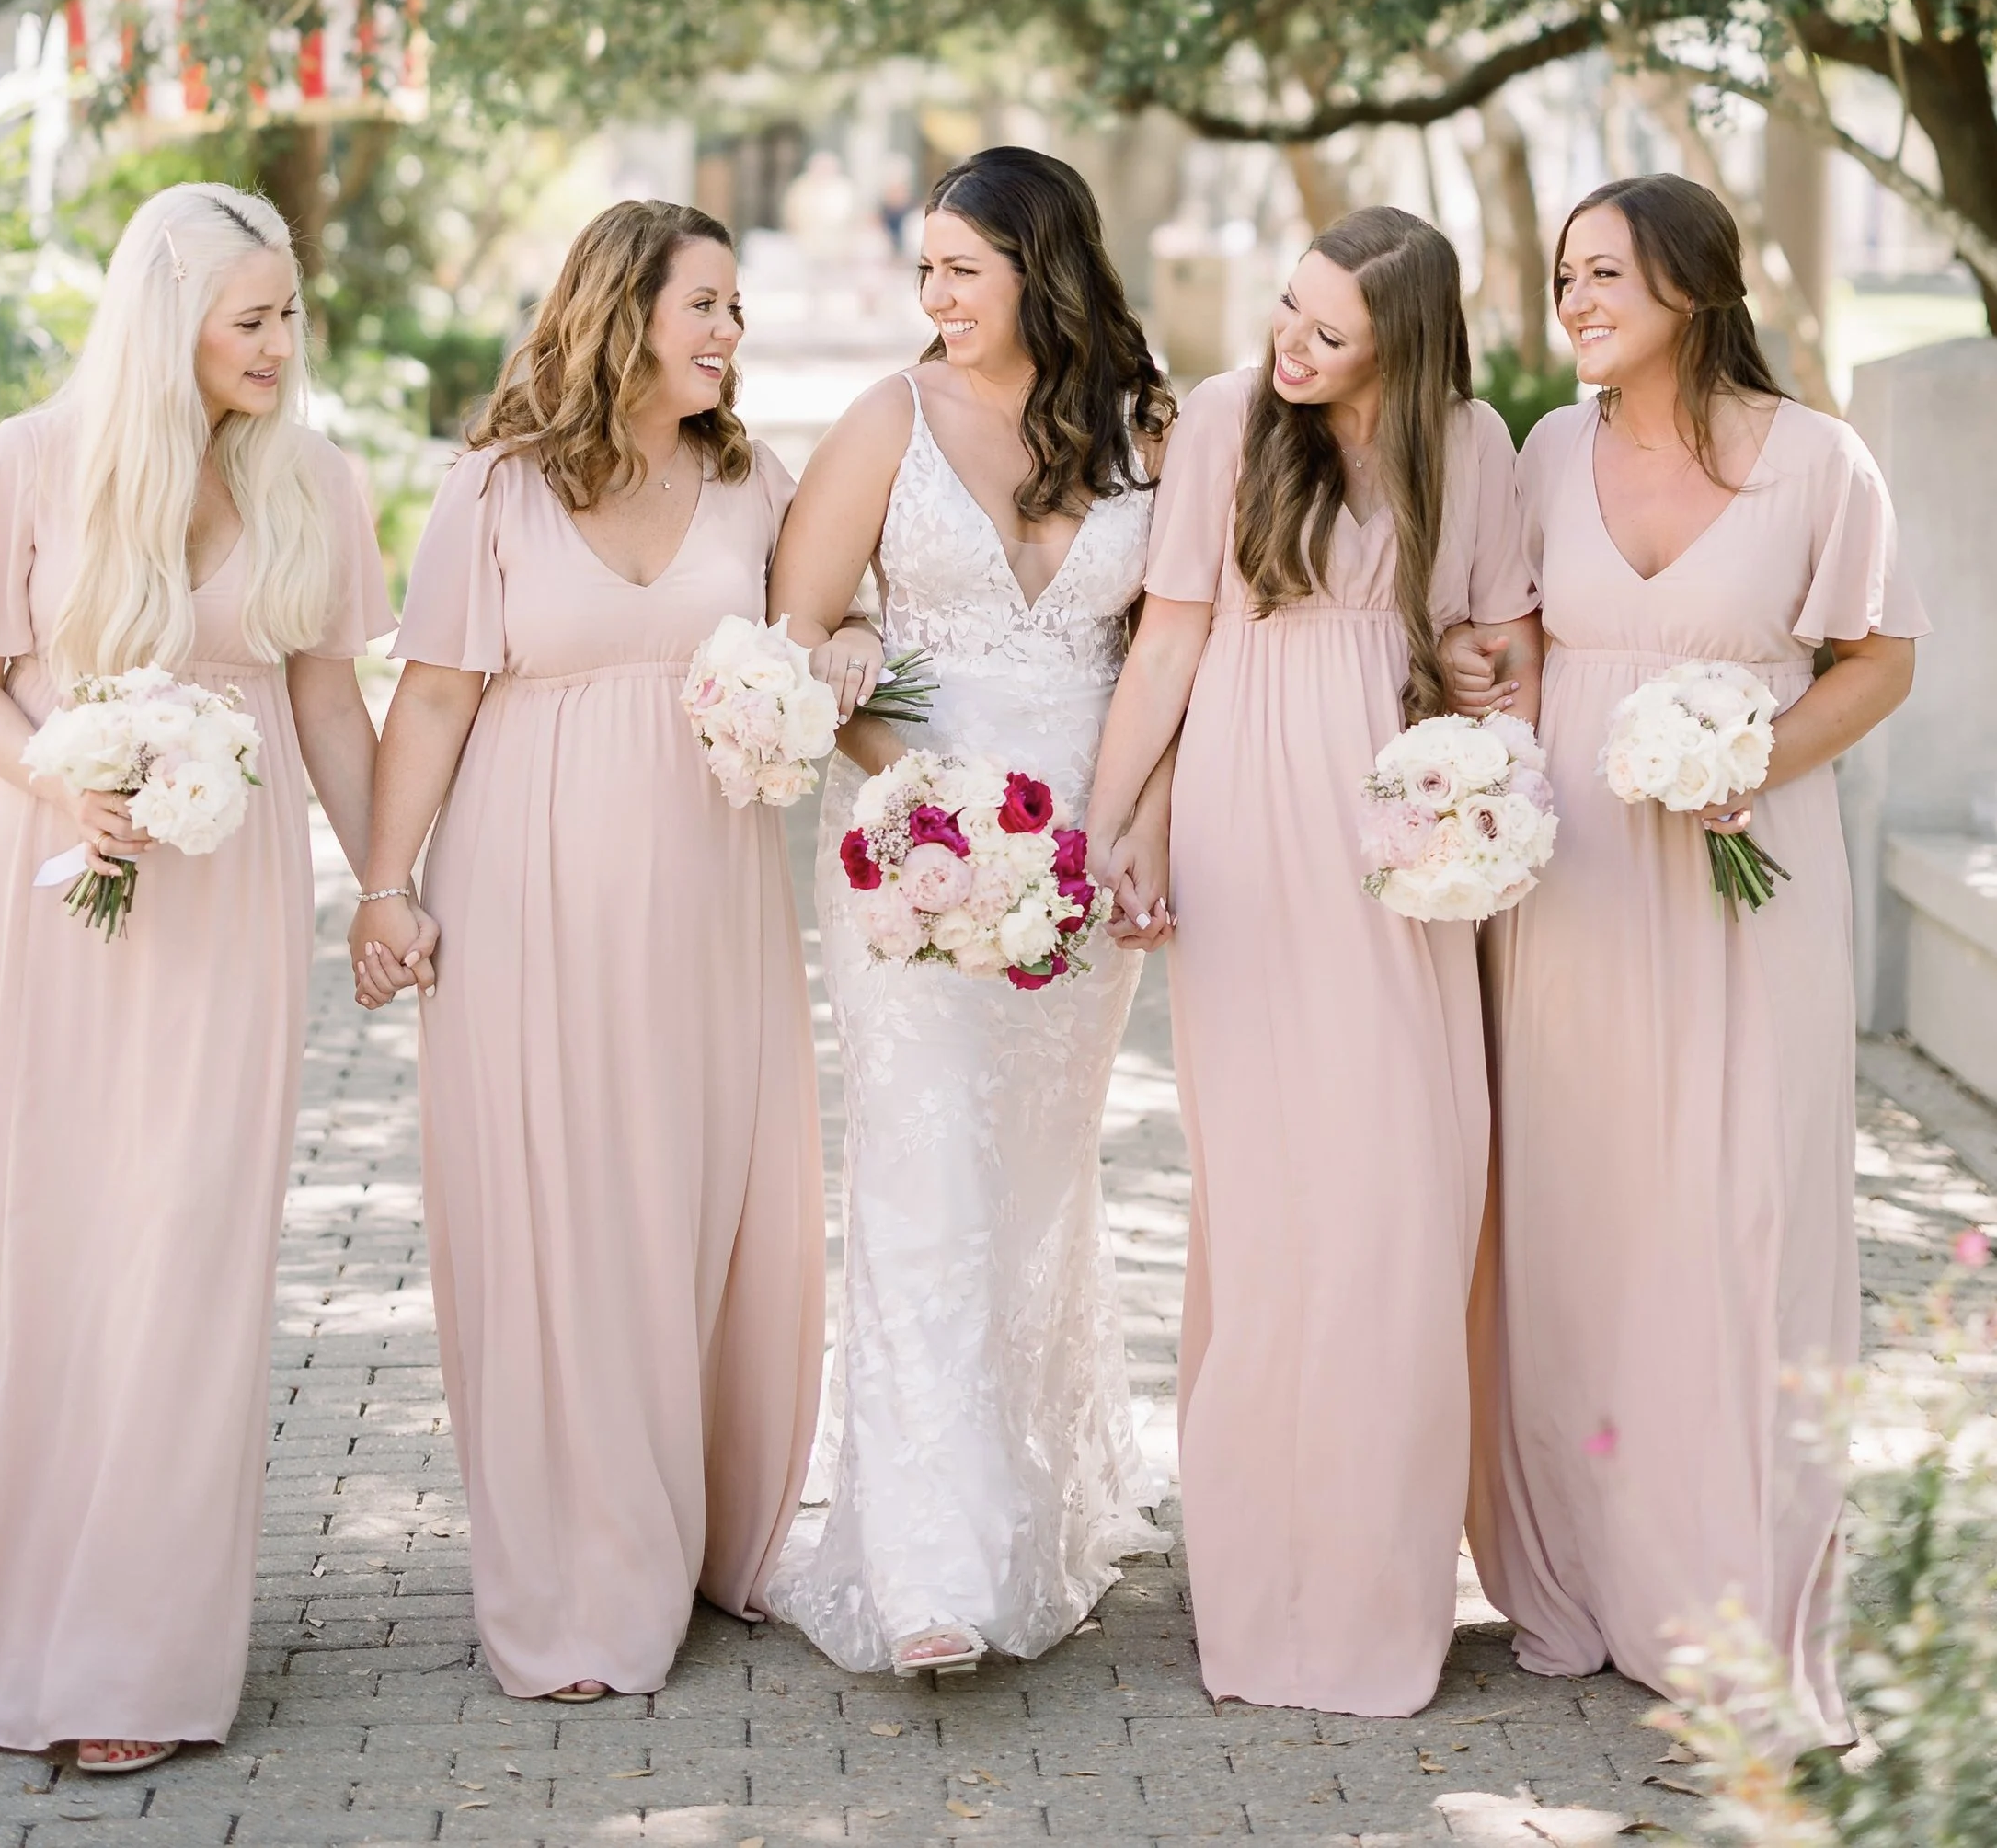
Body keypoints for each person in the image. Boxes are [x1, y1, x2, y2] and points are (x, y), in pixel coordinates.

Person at [0, 185, 390, 1771]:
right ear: (170, 327)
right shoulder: (31, 466)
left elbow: (334, 716)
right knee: (33, 1241)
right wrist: (60, 785)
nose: (282, 347)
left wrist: (394, 886)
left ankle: (126, 1659)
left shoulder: (319, 486)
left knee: (182, 1255)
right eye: (251, 321)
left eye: (291, 315)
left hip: (225, 915)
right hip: (50, 897)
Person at [1449, 174, 1922, 1743]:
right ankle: (1579, 1570)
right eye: (1568, 274)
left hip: (1748, 888)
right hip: (1575, 888)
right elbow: (1519, 639)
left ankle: (1729, 1586)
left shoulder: (1818, 466)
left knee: (1737, 1217)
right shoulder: (1548, 449)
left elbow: (1881, 658)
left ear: (1695, 288)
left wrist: (1759, 756)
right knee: (1584, 1215)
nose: (1572, 300)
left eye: (1604, 275)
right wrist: (1482, 672)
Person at [348, 200, 823, 1700]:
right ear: (624, 314)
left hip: (707, 901)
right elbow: (429, 699)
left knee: (694, 1204)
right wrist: (383, 883)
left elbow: (840, 625)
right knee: (560, 1218)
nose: (732, 336)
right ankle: (577, 1578)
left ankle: (697, 1533)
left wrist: (845, 666)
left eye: (737, 310)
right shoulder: (493, 490)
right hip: (527, 891)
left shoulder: (753, 478)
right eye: (708, 307)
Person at [1085, 206, 1540, 1716]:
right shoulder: (1225, 421)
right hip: (1248, 820)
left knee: (1410, 1190)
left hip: (1403, 835)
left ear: (1401, 351)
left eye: (1327, 331)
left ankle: (1374, 1586)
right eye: (1288, 308)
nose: (1289, 344)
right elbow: (1169, 641)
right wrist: (1112, 826)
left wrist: (1479, 686)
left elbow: (1499, 642)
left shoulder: (1471, 446)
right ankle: (1266, 1589)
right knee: (1276, 1201)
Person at [760, 145, 1176, 1678]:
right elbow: (799, 630)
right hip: (912, 852)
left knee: (1036, 1182)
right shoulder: (889, 418)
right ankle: (925, 1565)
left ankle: (1035, 1516)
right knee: (926, 1175)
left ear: (1041, 268)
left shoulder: (1149, 426)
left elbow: (1174, 651)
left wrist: (1133, 829)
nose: (933, 297)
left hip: (1081, 846)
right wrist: (908, 785)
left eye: (962, 270)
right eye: (923, 268)